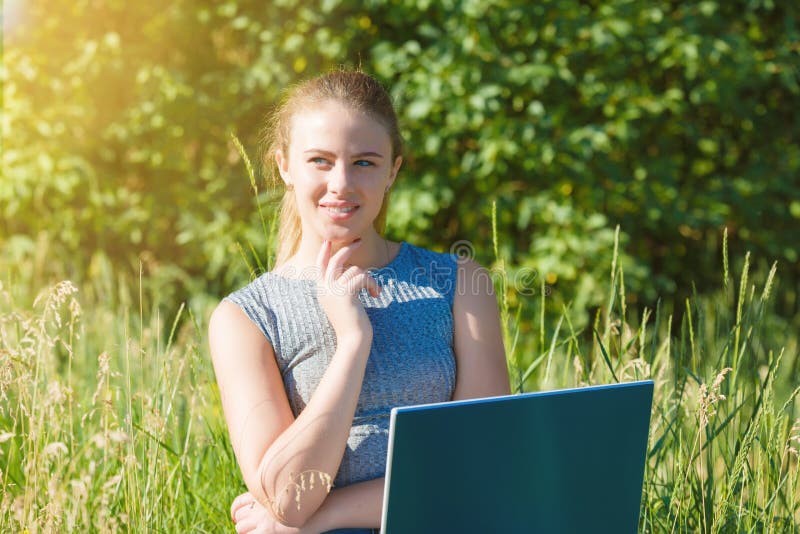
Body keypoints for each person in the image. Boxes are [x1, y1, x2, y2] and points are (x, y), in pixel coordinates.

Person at [208, 69, 510, 534]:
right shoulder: (247, 318)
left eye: (365, 162)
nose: (342, 183)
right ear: (284, 165)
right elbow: (288, 495)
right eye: (320, 161)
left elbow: (482, 468)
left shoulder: (459, 285)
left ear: (393, 171)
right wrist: (352, 341)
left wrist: (319, 518)